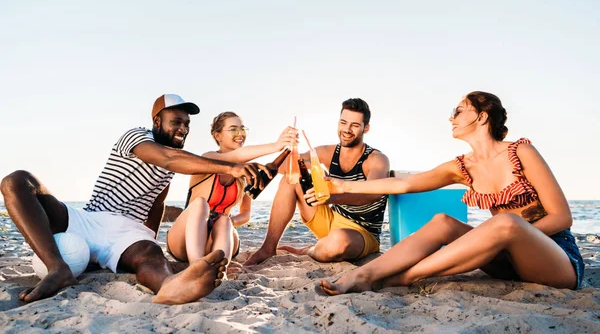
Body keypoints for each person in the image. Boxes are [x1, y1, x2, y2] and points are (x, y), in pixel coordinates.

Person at [0, 94, 273, 304]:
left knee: (148, 256)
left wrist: (153, 242)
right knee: (17, 181)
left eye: (187, 124)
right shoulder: (136, 136)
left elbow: (157, 204)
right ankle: (57, 268)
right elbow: (165, 157)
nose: (183, 128)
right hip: (88, 219)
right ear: (157, 122)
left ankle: (171, 286)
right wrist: (229, 167)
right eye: (176, 122)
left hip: (127, 233)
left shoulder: (176, 162)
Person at [320, 91, 585, 295]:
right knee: (442, 223)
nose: (451, 117)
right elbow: (404, 185)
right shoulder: (462, 166)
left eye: (458, 111)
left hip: (557, 260)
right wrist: (342, 186)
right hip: (507, 263)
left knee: (505, 223)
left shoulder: (521, 152)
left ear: (481, 117)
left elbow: (562, 217)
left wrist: (509, 236)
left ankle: (403, 277)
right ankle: (364, 274)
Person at [245, 98, 390, 265]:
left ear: (366, 128)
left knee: (338, 243)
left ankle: (308, 250)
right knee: (290, 179)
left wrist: (331, 198)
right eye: (343, 123)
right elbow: (286, 167)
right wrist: (288, 148)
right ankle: (268, 248)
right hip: (330, 220)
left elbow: (373, 194)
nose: (347, 129)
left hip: (361, 233)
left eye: (355, 125)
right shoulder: (327, 152)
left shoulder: (376, 159)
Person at [166, 111, 298, 275]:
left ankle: (222, 270)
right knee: (200, 204)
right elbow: (236, 156)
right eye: (233, 129)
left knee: (224, 220)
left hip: (218, 240)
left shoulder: (246, 173)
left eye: (242, 129)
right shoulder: (208, 158)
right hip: (184, 239)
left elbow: (246, 214)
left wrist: (227, 220)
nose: (240, 134)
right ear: (218, 136)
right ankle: (196, 268)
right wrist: (276, 145)